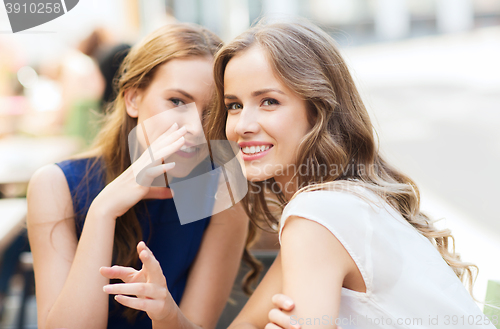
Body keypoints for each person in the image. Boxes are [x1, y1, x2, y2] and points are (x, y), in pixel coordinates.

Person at [202, 19, 494, 329]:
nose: (242, 125)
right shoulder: (340, 203)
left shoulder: (317, 215)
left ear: (319, 110)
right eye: (233, 105)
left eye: (269, 101)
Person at [27, 23, 253, 329]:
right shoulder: (56, 186)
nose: (195, 130)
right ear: (133, 99)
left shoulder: (223, 192)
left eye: (213, 113)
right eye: (176, 102)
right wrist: (102, 211)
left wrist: (166, 314)